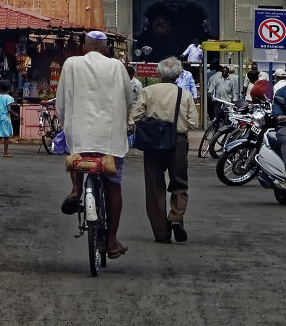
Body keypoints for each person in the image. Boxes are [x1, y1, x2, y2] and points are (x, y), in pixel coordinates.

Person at [56, 30, 133, 259]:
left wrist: (63, 122)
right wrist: (126, 121)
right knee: (113, 185)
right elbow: (129, 99)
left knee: (78, 154)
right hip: (111, 139)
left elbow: (61, 101)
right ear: (106, 49)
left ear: (85, 47)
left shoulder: (71, 64)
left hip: (80, 134)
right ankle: (111, 241)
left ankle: (76, 189)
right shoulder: (117, 66)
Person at [131, 56, 200, 244]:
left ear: (159, 73)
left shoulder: (148, 91)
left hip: (152, 142)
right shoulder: (184, 94)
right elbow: (193, 123)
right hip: (177, 141)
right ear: (178, 74)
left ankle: (161, 233)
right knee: (179, 183)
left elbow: (135, 116)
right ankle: (176, 217)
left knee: (154, 186)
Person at [0, 80, 16, 157]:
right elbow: (9, 109)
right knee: (6, 136)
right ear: (9, 88)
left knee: (0, 134)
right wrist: (15, 114)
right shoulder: (9, 98)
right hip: (5, 118)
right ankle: (5, 153)